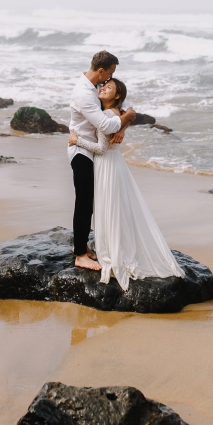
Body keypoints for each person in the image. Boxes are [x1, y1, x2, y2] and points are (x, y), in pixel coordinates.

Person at [69, 77, 184, 289]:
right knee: (117, 208)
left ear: (117, 96)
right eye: (103, 85)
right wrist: (125, 123)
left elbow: (102, 148)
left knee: (109, 208)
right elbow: (125, 116)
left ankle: (113, 250)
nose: (103, 88)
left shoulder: (107, 114)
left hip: (106, 164)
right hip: (113, 164)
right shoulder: (114, 113)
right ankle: (116, 245)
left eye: (109, 87)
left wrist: (78, 141)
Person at [68, 51, 136, 270]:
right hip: (82, 151)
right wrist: (127, 118)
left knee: (89, 201)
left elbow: (119, 107)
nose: (110, 79)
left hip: (94, 150)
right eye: (110, 73)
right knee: (84, 202)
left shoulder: (96, 88)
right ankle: (79, 254)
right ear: (101, 70)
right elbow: (107, 125)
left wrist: (124, 126)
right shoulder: (84, 94)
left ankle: (81, 244)